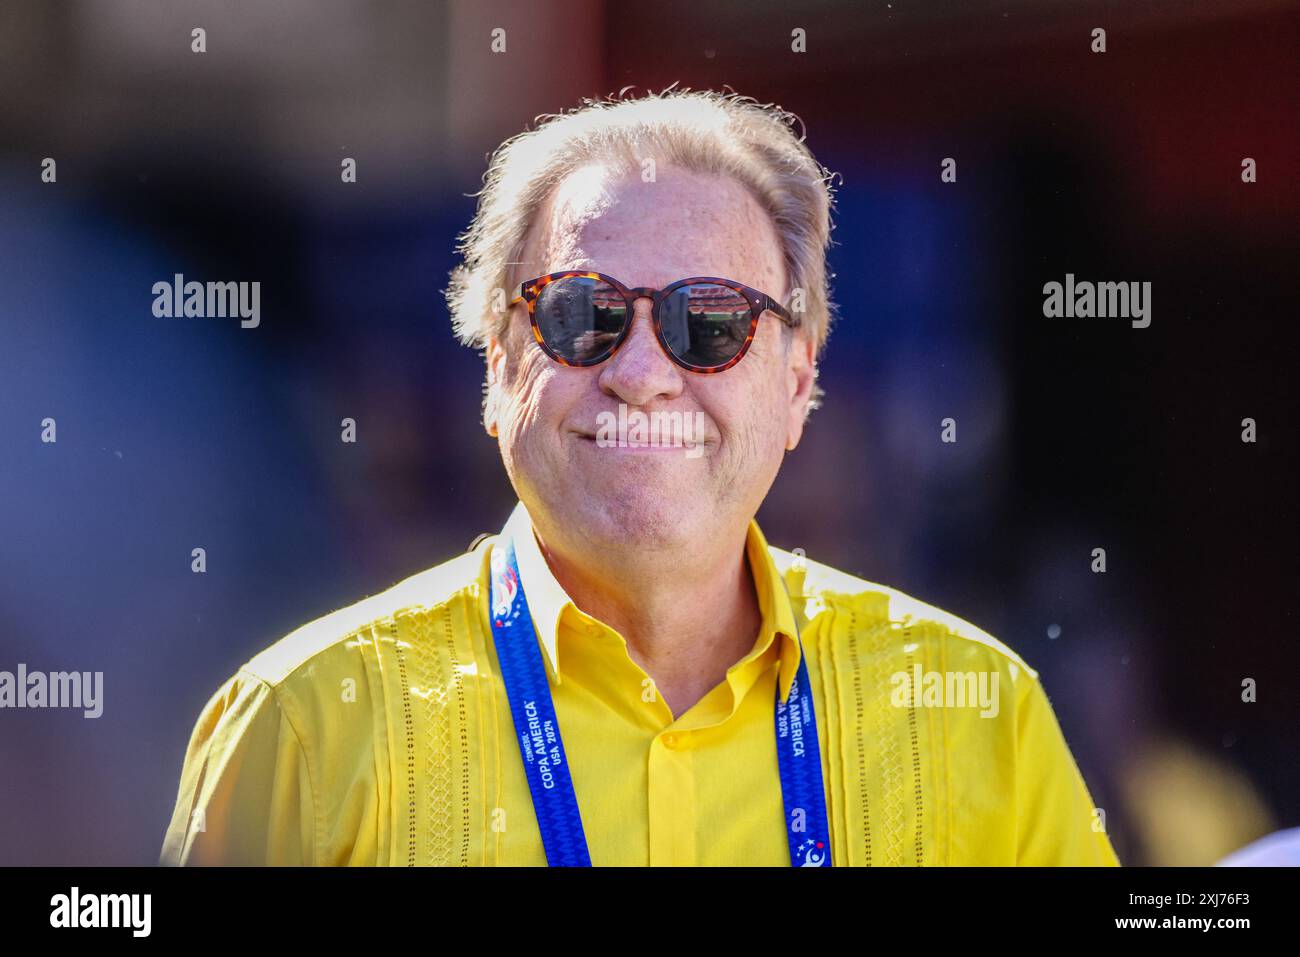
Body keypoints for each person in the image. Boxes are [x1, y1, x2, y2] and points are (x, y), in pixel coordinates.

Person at [160, 89, 1119, 866]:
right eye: (584, 313)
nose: (643, 371)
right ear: (497, 363)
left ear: (796, 381)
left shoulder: (979, 711)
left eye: (710, 321)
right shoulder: (304, 726)